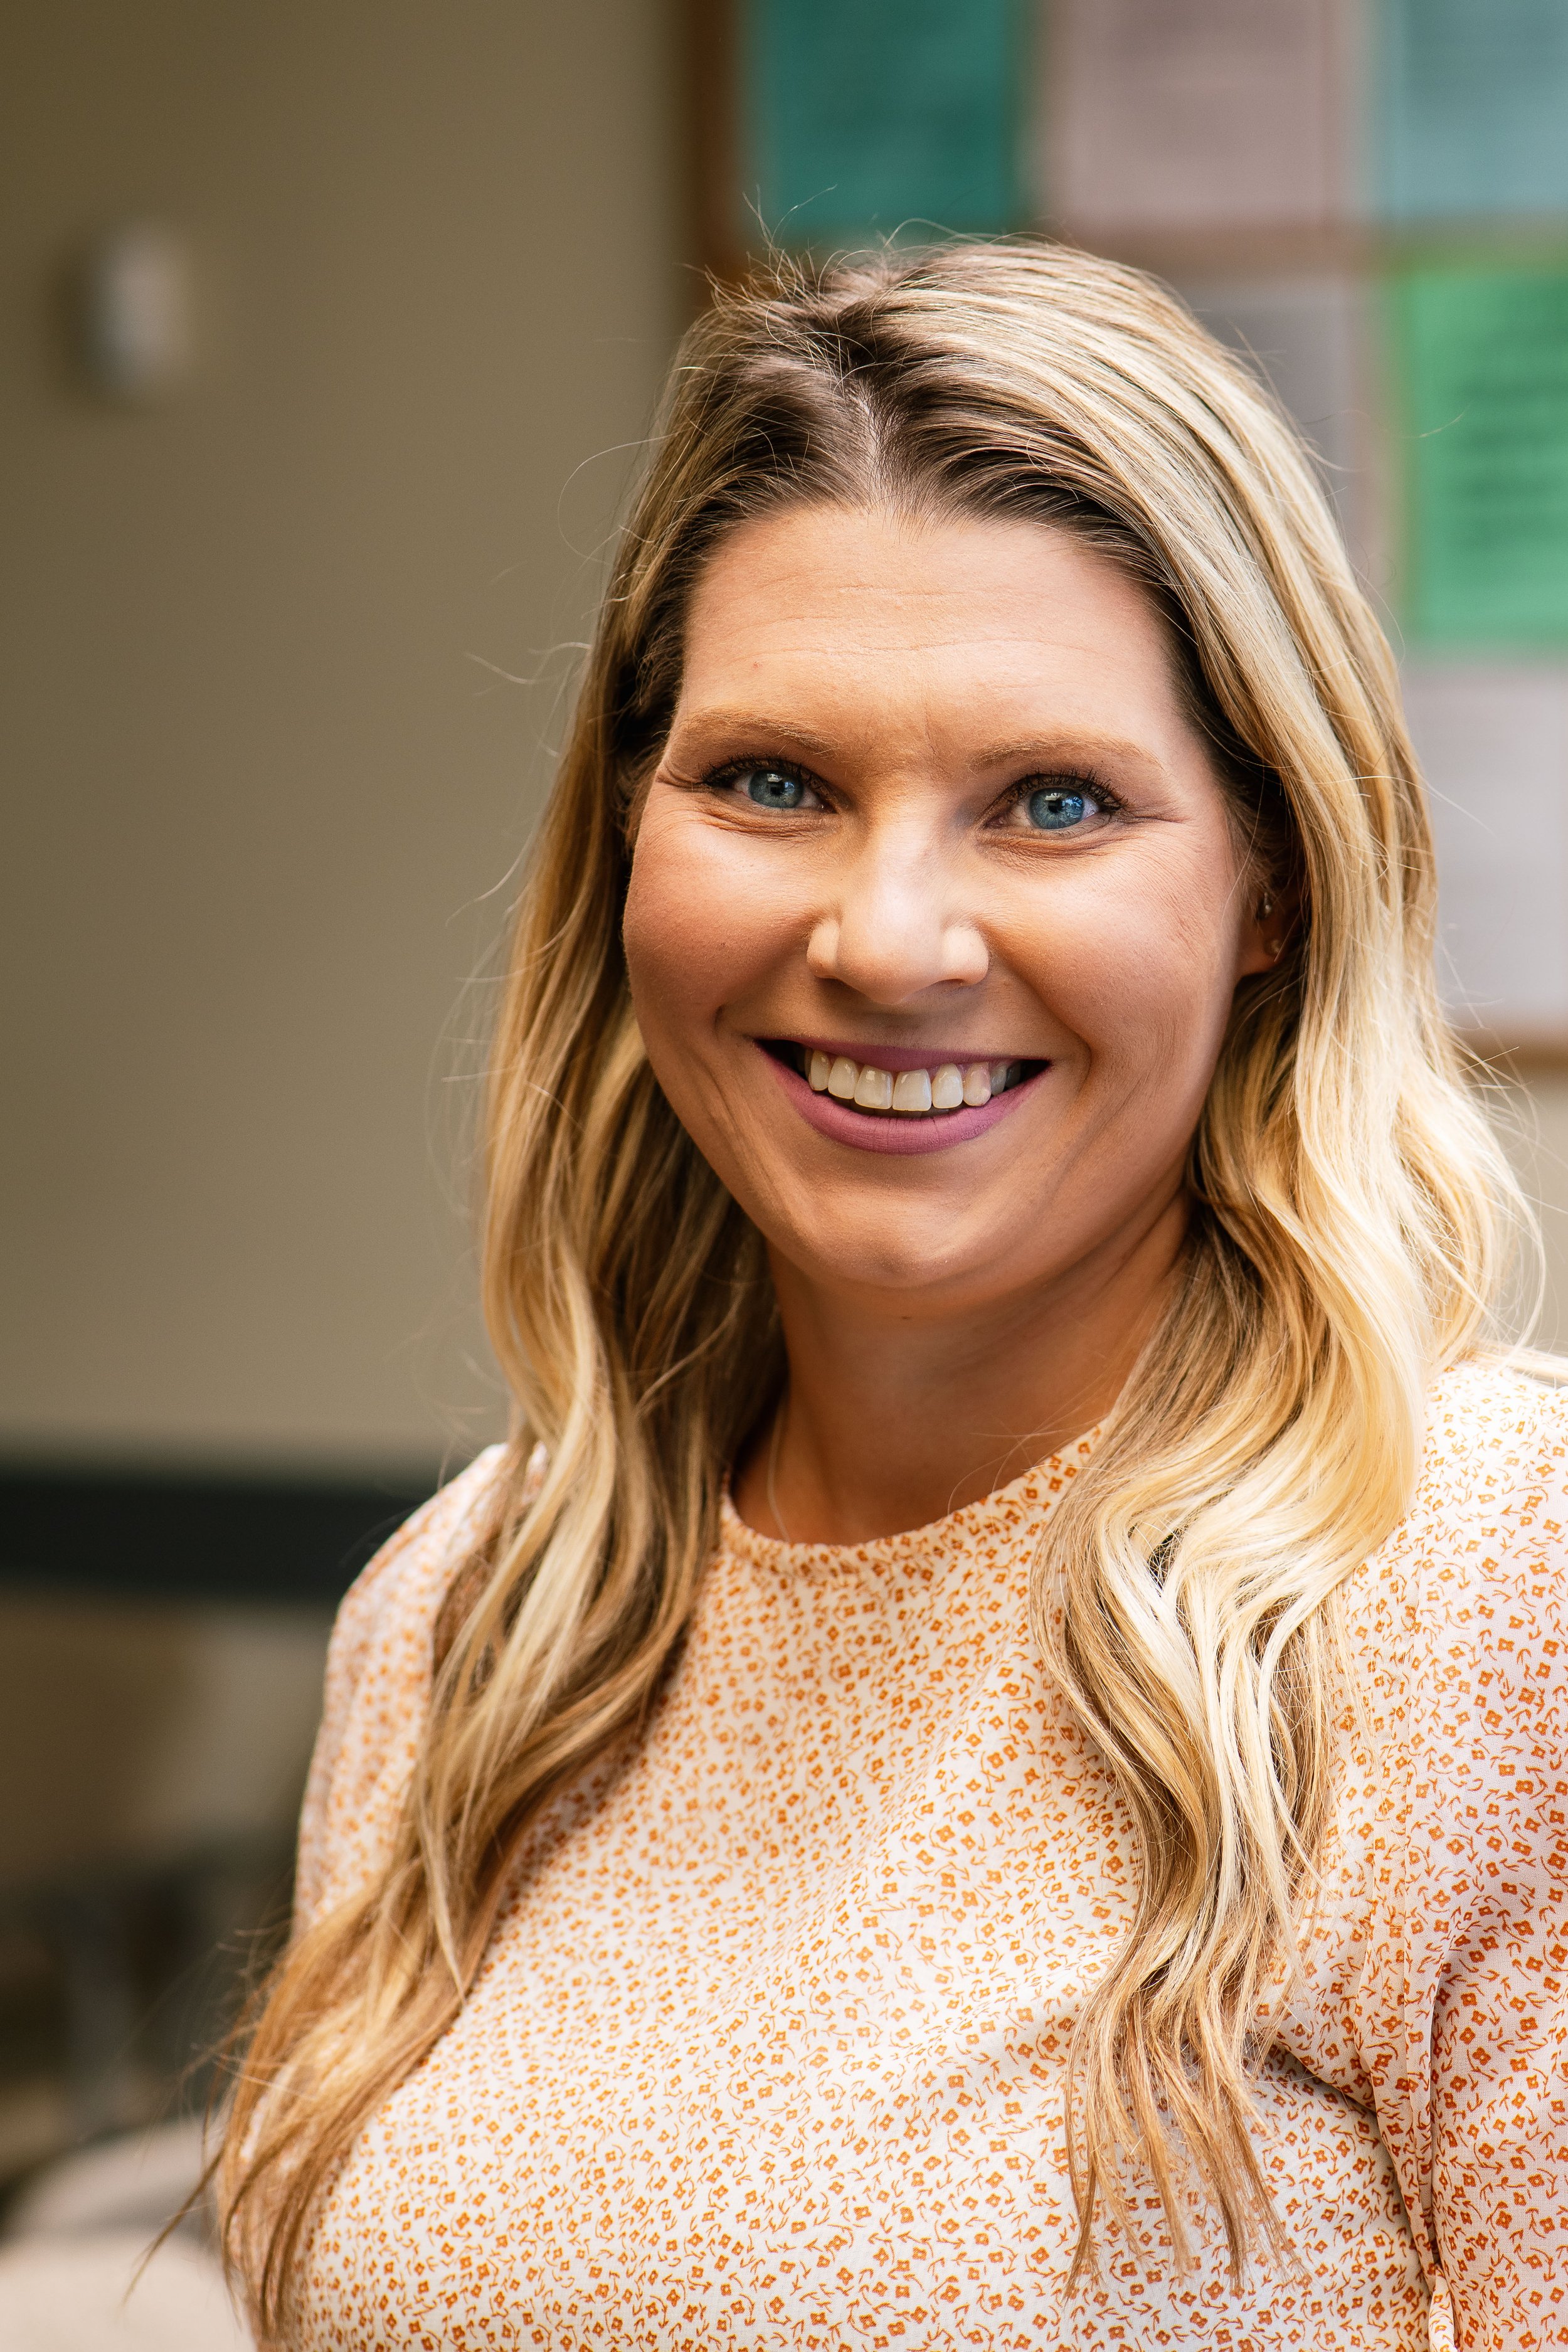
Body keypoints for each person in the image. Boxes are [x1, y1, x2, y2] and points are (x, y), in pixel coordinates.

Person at [219, 243, 1568, 2349]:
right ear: (629, 838)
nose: (889, 937)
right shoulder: (466, 1615)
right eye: (773, 783)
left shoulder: (1493, 1581)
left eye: (1053, 803)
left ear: (1268, 885)